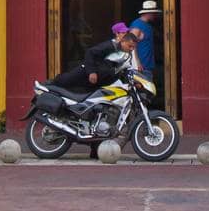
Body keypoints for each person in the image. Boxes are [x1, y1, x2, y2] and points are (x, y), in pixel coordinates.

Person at [50, 28, 141, 158]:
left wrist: (133, 82)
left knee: (95, 115)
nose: (131, 49)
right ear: (123, 41)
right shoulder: (110, 46)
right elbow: (90, 53)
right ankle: (48, 87)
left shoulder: (125, 55)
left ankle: (95, 151)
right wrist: (92, 71)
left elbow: (120, 72)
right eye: (130, 46)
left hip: (97, 85)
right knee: (64, 80)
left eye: (133, 47)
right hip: (85, 73)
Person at [130, 1, 161, 76]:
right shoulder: (137, 25)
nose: (155, 15)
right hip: (141, 67)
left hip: (148, 66)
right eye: (153, 13)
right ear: (148, 13)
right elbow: (131, 44)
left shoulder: (148, 26)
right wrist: (137, 63)